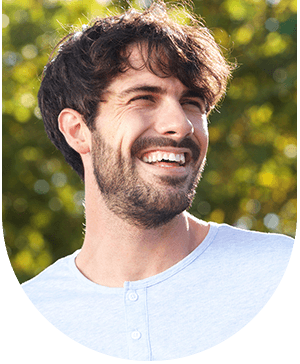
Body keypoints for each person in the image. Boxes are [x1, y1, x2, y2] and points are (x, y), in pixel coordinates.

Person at [21, 1, 294, 360]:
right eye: (143, 98)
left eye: (192, 103)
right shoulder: (41, 304)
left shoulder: (275, 270)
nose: (180, 124)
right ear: (78, 131)